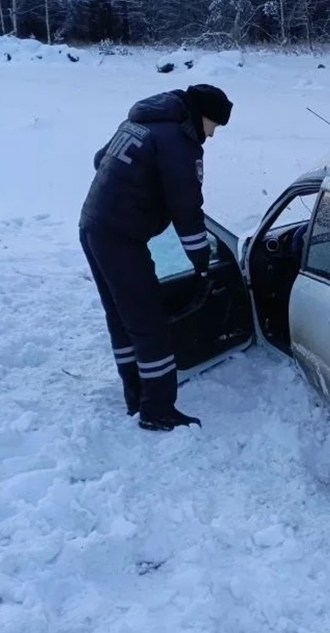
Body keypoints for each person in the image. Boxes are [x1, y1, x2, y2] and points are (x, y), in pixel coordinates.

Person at [79, 83, 233, 432]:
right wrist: (201, 261)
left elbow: (100, 159)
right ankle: (158, 409)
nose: (213, 134)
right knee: (150, 323)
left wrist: (134, 188)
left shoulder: (142, 121)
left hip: (92, 226)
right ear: (204, 115)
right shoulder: (179, 141)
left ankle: (136, 395)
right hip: (120, 238)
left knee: (121, 317)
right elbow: (187, 208)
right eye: (215, 125)